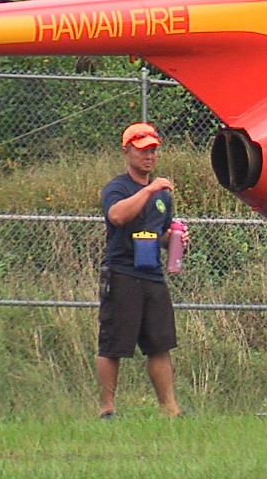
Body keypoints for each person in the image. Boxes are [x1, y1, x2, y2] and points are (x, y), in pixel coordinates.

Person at [97, 122, 188, 418]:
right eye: (142, 150)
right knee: (113, 344)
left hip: (152, 274)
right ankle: (107, 410)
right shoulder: (118, 188)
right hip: (122, 273)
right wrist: (149, 189)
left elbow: (160, 233)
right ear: (127, 152)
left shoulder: (164, 196)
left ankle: (170, 409)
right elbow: (117, 216)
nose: (148, 156)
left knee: (159, 344)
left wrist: (174, 240)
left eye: (153, 150)